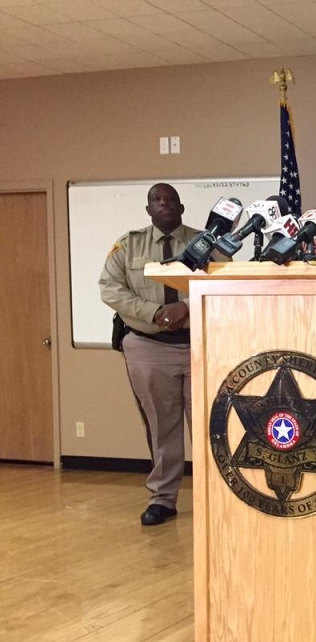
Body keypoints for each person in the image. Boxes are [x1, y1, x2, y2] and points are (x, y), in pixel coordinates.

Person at [98, 183, 203, 526]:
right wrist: (154, 312)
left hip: (202, 345)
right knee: (161, 426)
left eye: (170, 199)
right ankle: (163, 498)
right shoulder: (128, 245)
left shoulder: (206, 243)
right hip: (148, 347)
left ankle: (215, 497)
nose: (164, 204)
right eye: (157, 200)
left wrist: (184, 308)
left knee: (209, 426)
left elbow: (227, 282)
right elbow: (110, 288)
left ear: (181, 207)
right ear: (148, 210)